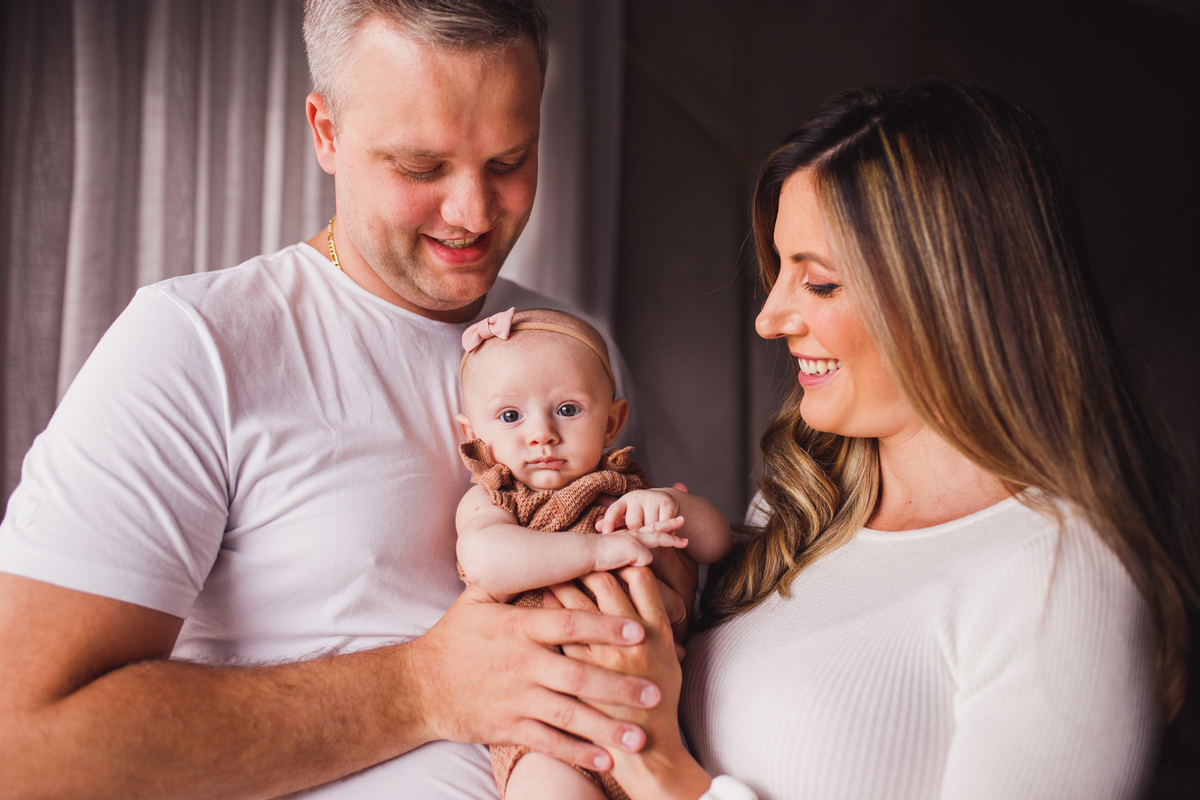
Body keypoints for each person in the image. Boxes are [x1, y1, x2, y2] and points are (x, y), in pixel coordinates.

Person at [0, 2, 698, 797]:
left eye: (509, 160)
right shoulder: (197, 343)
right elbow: (24, 742)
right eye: (421, 167)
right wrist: (424, 688)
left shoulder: (566, 357)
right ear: (326, 132)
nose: (472, 212)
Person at [545, 78, 1198, 800]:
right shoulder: (802, 510)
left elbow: (670, 766)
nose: (769, 318)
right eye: (779, 271)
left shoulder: (1062, 576)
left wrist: (653, 760)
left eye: (819, 285)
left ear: (949, 296)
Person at [454, 306, 733, 800]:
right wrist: (601, 550)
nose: (541, 434)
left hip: (656, 712)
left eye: (567, 409)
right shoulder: (495, 499)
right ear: (472, 436)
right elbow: (486, 562)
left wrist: (671, 504)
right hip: (548, 726)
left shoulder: (627, 489)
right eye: (510, 416)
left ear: (611, 422)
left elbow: (716, 542)